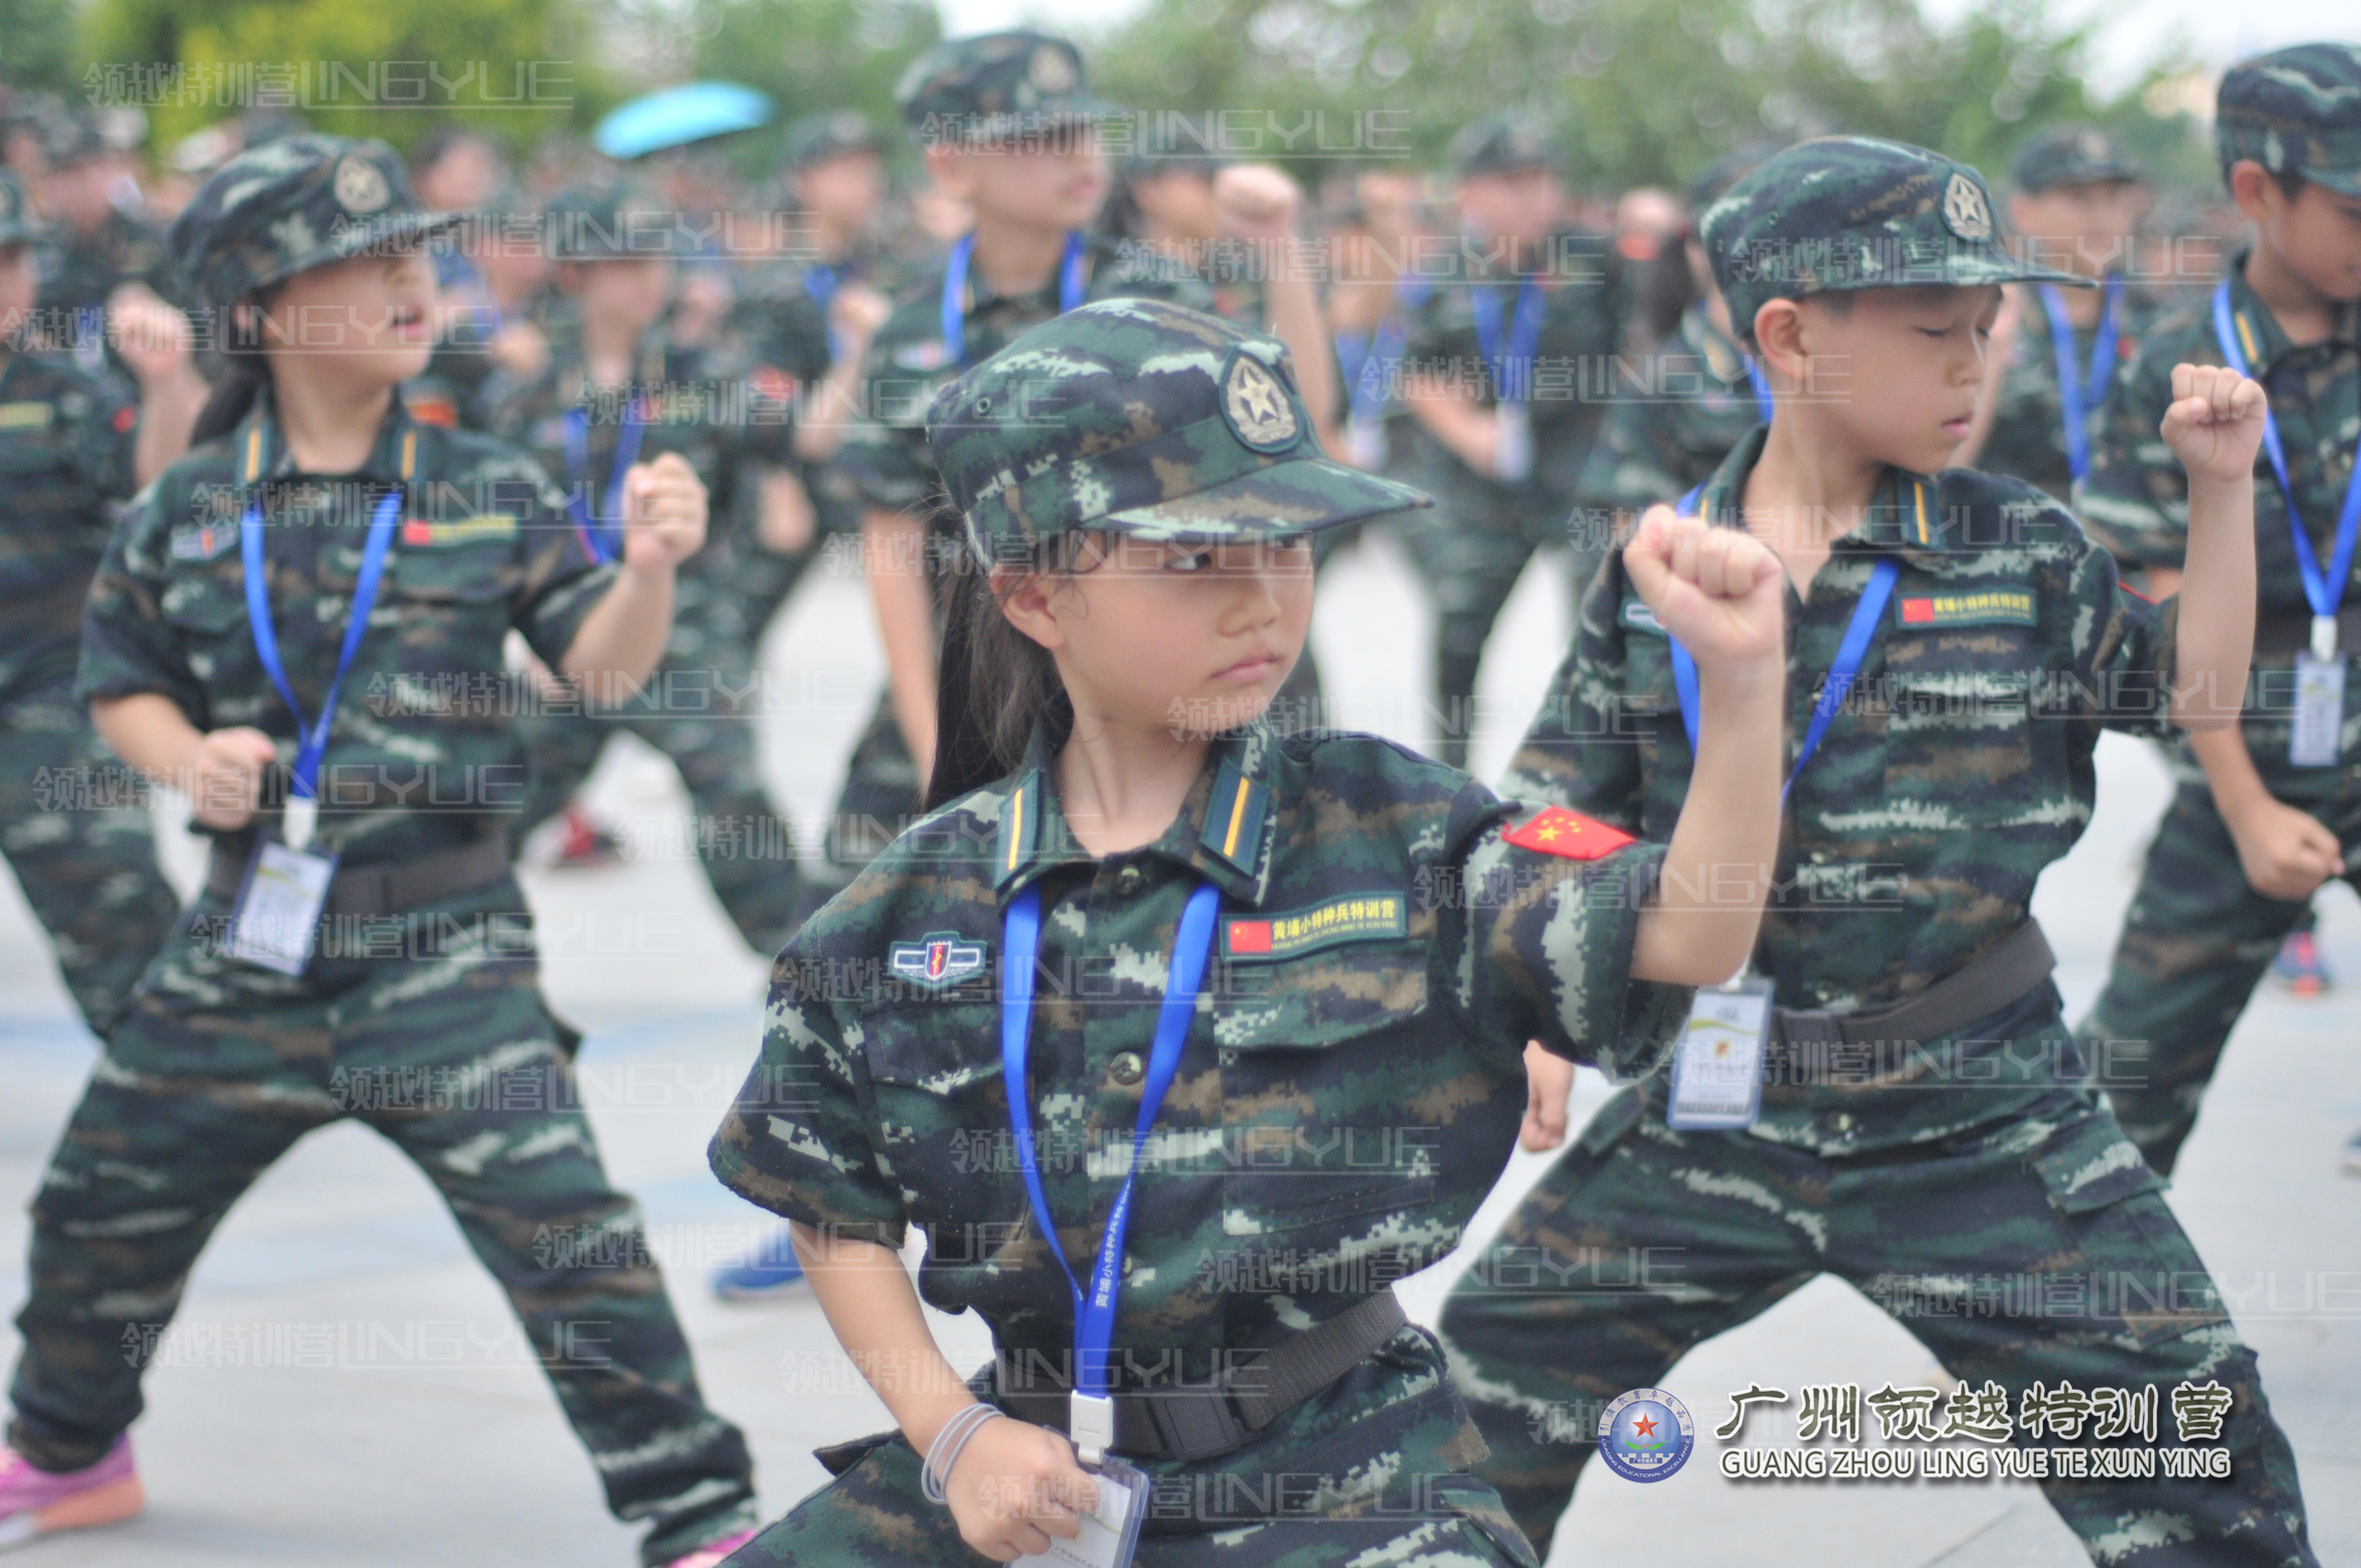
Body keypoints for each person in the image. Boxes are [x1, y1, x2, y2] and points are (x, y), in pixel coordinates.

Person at [708, 296, 1789, 1566]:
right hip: (1025, 1470)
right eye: (1193, 557)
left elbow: (1689, 932)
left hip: (1345, 1472)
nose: (1261, 602)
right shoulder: (909, 906)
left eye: (1287, 547)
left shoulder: (1395, 828)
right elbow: (829, 1205)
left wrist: (1741, 681)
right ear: (1032, 594)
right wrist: (948, 1431)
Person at [1435, 135, 2319, 1567]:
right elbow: (1554, 805)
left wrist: (2222, 494)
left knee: (2201, 1458)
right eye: (1934, 335)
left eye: (1987, 330)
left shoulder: (2022, 552)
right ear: (1789, 336)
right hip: (1720, 1098)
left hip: (1982, 1109)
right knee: (1483, 1383)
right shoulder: (1665, 566)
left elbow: (2197, 698)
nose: (1975, 366)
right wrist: (1541, 1007)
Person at [0, 136, 759, 1567]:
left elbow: (596, 670)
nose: (414, 277)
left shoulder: (484, 479)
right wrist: (189, 762)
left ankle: (702, 1519)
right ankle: (65, 1451)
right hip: (245, 943)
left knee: (569, 1237)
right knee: (101, 1206)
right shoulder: (190, 505)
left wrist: (651, 571)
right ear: (262, 307)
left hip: (446, 946)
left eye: (416, 251)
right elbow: (123, 680)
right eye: (364, 261)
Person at [706, 28, 1217, 1307]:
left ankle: (1150, 1211)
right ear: (952, 162)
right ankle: (838, 1192)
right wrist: (939, 727)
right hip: (961, 658)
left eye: (1080, 134)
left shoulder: (1154, 296)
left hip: (1130, 680)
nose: (1072, 160)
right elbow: (887, 530)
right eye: (1034, 140)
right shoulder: (913, 313)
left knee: (1146, 939)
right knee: (856, 923)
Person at [2072, 43, 2361, 1177]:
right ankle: (2038, 1335)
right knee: (2119, 1101)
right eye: (2348, 208)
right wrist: (2239, 807)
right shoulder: (2175, 367)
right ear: (2257, 193)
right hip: (2238, 754)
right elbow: (2149, 601)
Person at [485, 181, 814, 954]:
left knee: (733, 796)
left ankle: (810, 974)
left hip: (682, 625)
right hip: (563, 634)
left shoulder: (707, 375)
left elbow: (793, 453)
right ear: (574, 277)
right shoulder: (524, 395)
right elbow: (502, 532)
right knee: (492, 807)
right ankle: (437, 961)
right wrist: (523, 637)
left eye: (654, 259)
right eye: (621, 262)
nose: (646, 278)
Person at [0, 166, 189, 1039]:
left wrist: (164, 382)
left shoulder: (59, 390)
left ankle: (177, 1098)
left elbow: (157, 479)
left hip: (49, 700)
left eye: (15, 259)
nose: (8, 282)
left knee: (123, 925)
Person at [1399, 114, 1624, 769]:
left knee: (1599, 633)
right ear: (1469, 192)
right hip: (1485, 484)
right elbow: (1417, 373)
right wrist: (1467, 431)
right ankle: (1446, 775)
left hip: (1580, 473)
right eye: (1513, 184)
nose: (1535, 198)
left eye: (1544, 181)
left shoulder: (1592, 259)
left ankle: (1595, 783)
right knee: (1460, 630)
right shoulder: (1444, 274)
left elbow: (1636, 354)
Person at [1970, 124, 2156, 505]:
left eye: (2115, 199)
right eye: (2079, 198)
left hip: (2131, 554)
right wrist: (1990, 356)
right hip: (2006, 546)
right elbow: (1948, 462)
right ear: (2025, 212)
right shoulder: (1988, 318)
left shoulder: (2159, 324)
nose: (2102, 216)